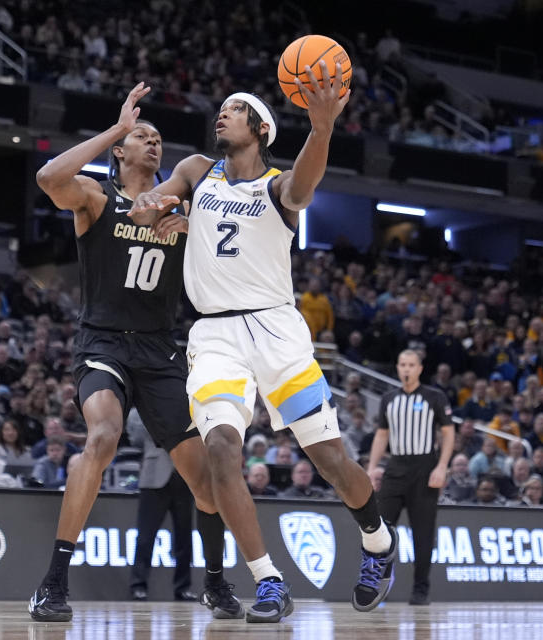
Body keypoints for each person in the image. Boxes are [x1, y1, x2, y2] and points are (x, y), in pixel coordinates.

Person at [129, 62, 396, 621]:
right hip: (215, 333)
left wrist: (321, 129)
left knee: (328, 458)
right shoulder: (199, 171)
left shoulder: (277, 188)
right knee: (222, 448)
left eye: (234, 109)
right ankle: (267, 580)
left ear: (261, 129)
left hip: (277, 331)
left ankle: (377, 543)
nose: (221, 114)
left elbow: (303, 185)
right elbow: (160, 197)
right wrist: (156, 206)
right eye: (221, 109)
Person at [28, 83, 239, 622]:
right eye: (142, 136)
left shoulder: (182, 205)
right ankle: (53, 581)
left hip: (160, 350)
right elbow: (48, 178)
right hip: (102, 341)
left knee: (203, 475)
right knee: (103, 434)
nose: (153, 142)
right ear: (120, 150)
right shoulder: (96, 199)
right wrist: (117, 128)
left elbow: (232, 257)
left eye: (157, 137)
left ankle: (214, 583)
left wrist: (193, 225)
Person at [368, 349, 455, 606]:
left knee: (423, 533)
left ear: (419, 368)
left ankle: (420, 589)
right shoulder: (388, 399)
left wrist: (441, 467)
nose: (406, 369)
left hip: (424, 469)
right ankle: (376, 583)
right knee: (381, 530)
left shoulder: (434, 397)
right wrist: (372, 467)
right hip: (395, 468)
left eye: (411, 365)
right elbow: (382, 435)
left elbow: (448, 433)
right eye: (402, 364)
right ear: (397, 367)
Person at [127, 414, 196, 602]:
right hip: (154, 476)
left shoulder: (187, 406)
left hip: (185, 476)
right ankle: (138, 585)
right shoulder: (142, 409)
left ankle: (183, 587)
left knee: (184, 538)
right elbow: (136, 439)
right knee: (145, 537)